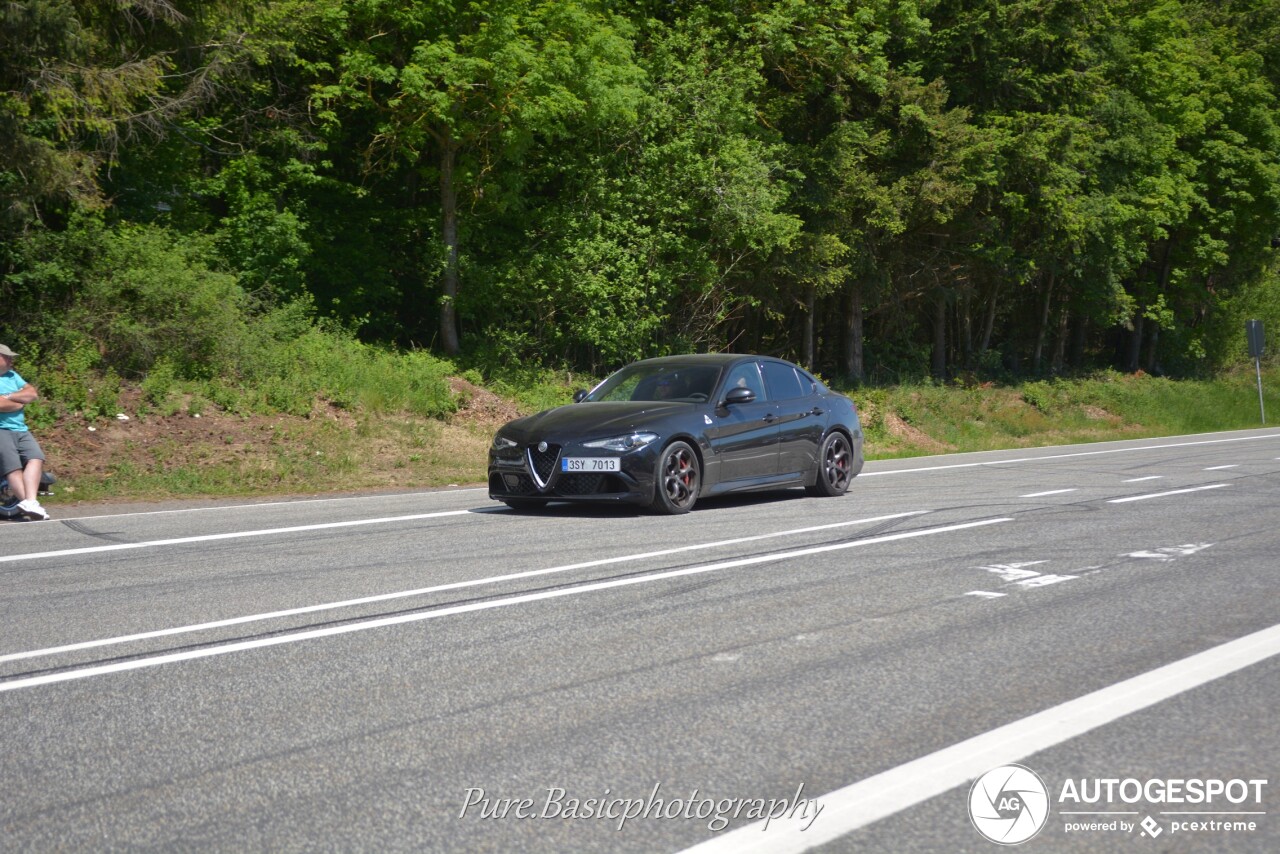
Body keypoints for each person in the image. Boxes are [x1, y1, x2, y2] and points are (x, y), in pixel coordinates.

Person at [0, 344, 50, 520]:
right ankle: (28, 503)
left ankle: (30, 502)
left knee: (36, 457)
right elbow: (6, 405)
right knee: (12, 467)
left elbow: (32, 394)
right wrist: (17, 400)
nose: (11, 360)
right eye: (7, 357)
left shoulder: (13, 376)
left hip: (21, 429)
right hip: (1, 430)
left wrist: (8, 396)